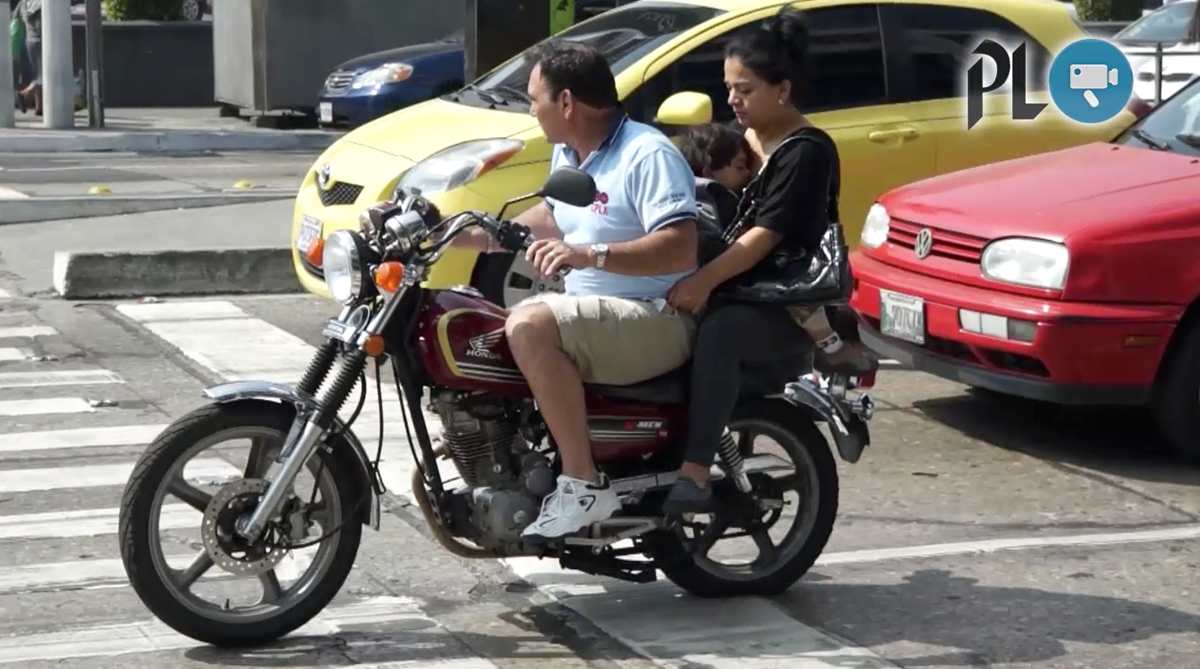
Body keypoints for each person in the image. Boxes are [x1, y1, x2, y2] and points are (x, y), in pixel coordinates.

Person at [450, 40, 701, 541]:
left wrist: (589, 255)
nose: (530, 110)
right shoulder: (570, 153)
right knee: (475, 322)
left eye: (534, 99)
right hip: (598, 313)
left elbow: (681, 247)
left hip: (654, 314)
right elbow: (551, 217)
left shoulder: (646, 153)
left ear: (566, 102)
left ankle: (583, 482)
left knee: (530, 324)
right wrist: (455, 231)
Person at [661, 7, 872, 513]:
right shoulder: (741, 140)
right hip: (739, 284)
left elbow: (764, 237)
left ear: (783, 89)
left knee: (720, 332)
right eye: (728, 88)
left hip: (784, 301)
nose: (733, 100)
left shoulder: (805, 151)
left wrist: (701, 282)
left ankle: (694, 472)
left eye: (745, 89)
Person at [674, 120, 873, 374]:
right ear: (709, 171)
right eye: (740, 167)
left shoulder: (685, 196)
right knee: (794, 290)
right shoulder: (716, 200)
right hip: (725, 292)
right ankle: (832, 347)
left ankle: (832, 347)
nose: (747, 175)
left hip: (715, 294)